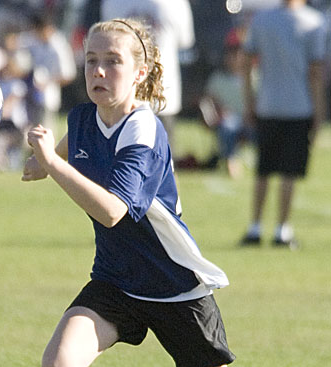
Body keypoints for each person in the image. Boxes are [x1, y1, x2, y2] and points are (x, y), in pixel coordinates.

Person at [22, 18, 306, 367]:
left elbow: (112, 210)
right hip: (115, 283)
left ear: (141, 71)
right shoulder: (81, 119)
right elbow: (62, 155)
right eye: (91, 61)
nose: (98, 71)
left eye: (113, 61)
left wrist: (53, 165)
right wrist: (37, 160)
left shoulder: (145, 130)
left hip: (177, 291)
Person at [240, 0, 327, 248]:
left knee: (263, 170)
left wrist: (249, 100)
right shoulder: (314, 21)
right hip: (298, 107)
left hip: (267, 105)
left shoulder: (261, 20)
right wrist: (319, 112)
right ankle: (282, 229)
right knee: (289, 171)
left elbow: (246, 63)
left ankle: (255, 226)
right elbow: (315, 72)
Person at [100, 0, 194, 156]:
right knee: (156, 159)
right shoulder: (176, 3)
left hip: (139, 92)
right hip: (156, 91)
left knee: (124, 156)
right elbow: (185, 42)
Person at [203, 29, 254, 178]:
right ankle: (231, 160)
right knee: (228, 126)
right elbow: (208, 102)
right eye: (232, 53)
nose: (236, 57)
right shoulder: (217, 79)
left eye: (240, 53)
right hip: (227, 120)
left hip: (250, 121)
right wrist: (216, 115)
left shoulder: (256, 77)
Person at [17, 10, 76, 131]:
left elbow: (68, 74)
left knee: (44, 131)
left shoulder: (58, 46)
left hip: (47, 97)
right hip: (28, 95)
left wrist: (47, 82)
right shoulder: (33, 41)